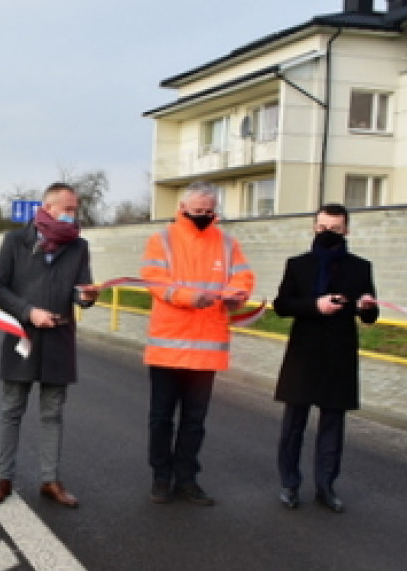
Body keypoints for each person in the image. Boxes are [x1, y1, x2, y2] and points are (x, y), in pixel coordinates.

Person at [141, 181, 255, 506]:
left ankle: (187, 479)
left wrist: (237, 294)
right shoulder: (161, 240)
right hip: (168, 346)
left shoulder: (228, 243)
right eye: (197, 212)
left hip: (206, 348)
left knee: (194, 421)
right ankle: (161, 478)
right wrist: (192, 297)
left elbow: (243, 277)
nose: (203, 216)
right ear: (182, 209)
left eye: (208, 212)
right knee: (161, 418)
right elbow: (155, 281)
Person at [0, 182, 98, 507]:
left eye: (75, 209)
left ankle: (50, 481)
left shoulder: (79, 246)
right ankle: (3, 479)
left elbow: (80, 290)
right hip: (23, 338)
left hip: (59, 340)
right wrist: (28, 312)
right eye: (68, 209)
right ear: (48, 209)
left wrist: (86, 297)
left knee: (52, 414)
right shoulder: (15, 241)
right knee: (11, 410)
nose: (73, 215)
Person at [273, 204, 378, 513]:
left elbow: (369, 314)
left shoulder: (360, 267)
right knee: (294, 424)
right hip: (303, 355)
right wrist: (316, 306)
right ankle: (290, 484)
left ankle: (326, 487)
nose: (328, 233)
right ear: (313, 228)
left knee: (332, 425)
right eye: (322, 228)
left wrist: (368, 306)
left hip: (339, 354)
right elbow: (282, 305)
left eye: (334, 229)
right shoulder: (297, 264)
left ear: (346, 230)